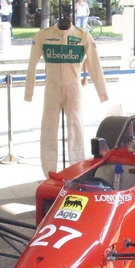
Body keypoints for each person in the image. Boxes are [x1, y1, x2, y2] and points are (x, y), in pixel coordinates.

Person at [24, 11, 108, 177]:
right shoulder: (43, 36)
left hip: (73, 88)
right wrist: (29, 92)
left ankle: (76, 171)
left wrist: (102, 93)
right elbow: (31, 65)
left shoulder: (83, 36)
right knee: (48, 130)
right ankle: (49, 174)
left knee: (76, 129)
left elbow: (95, 66)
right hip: (52, 88)